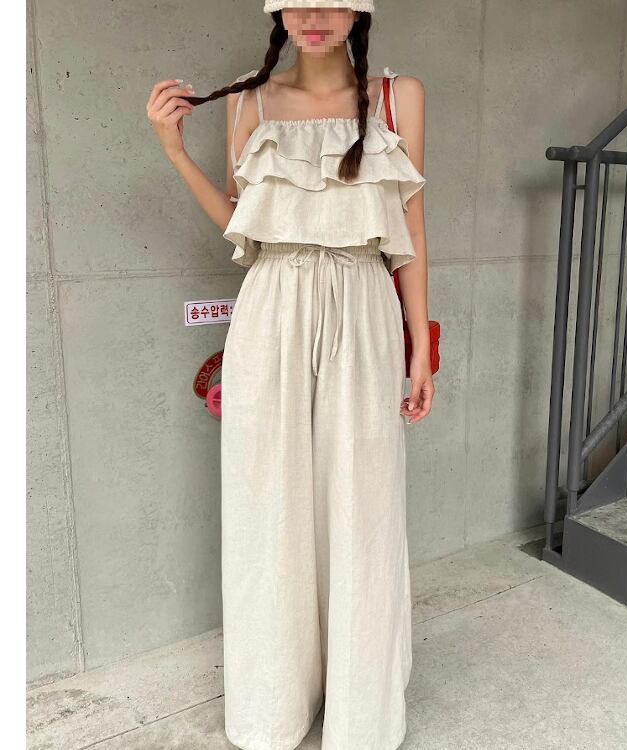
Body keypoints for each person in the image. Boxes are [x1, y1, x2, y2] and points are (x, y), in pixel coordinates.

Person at [146, 2, 434, 747]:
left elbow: (411, 229)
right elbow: (241, 219)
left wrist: (420, 347)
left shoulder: (398, 97)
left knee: (362, 502)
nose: (313, 15)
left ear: (360, 9)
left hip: (365, 306)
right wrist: (175, 151)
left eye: (333, 0)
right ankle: (274, 705)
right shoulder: (247, 100)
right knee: (268, 502)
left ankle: (360, 710)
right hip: (270, 309)